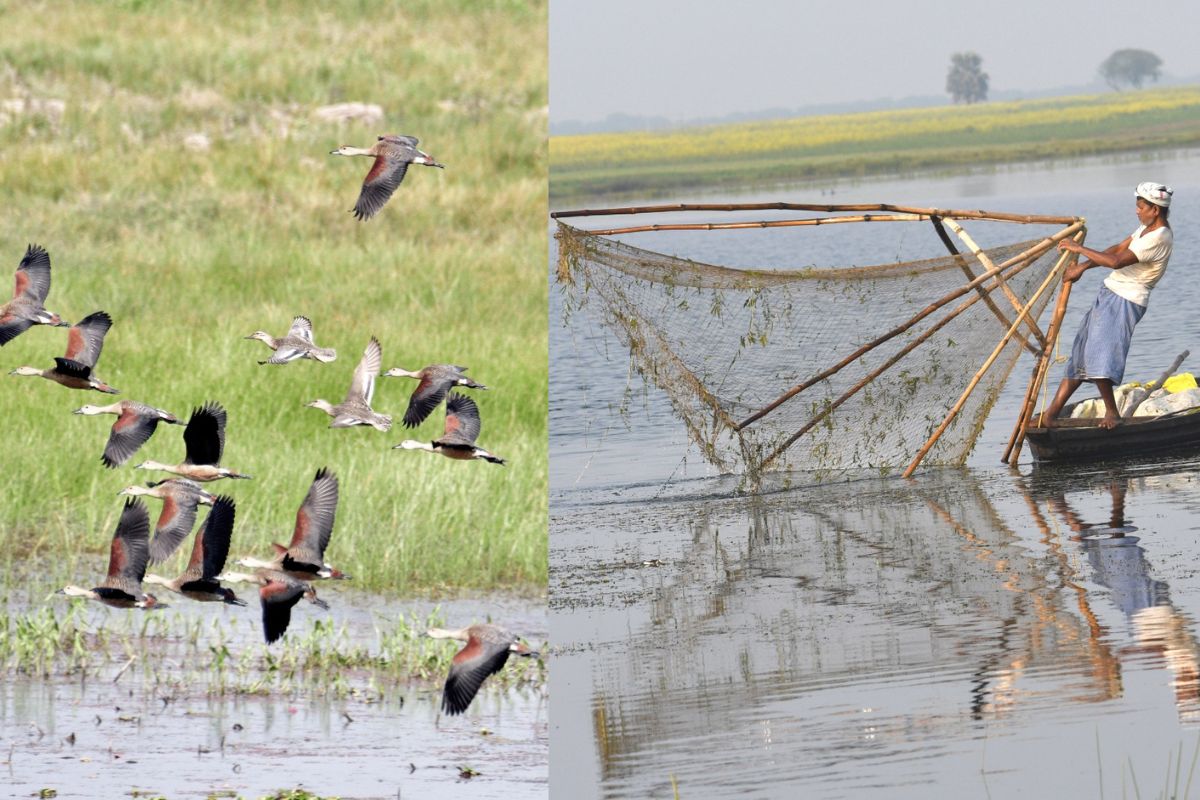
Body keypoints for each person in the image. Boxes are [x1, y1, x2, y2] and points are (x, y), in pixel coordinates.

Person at [1042, 181, 1174, 429]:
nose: (1137, 211)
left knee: (1099, 355)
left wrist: (1078, 248)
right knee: (1081, 356)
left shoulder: (1159, 237)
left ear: (1154, 210)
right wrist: (1082, 266)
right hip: (1109, 293)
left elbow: (1115, 261)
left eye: (1140, 207)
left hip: (1125, 300)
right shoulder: (1144, 230)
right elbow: (1117, 249)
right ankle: (1051, 415)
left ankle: (1112, 413)